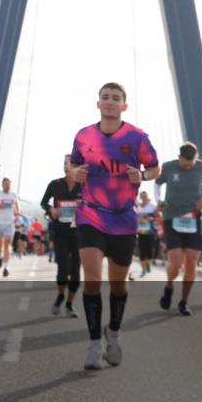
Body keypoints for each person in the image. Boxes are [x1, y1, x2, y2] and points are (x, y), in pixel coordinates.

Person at [70, 82, 160, 370]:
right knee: (93, 280)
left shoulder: (137, 137)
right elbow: (73, 165)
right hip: (91, 214)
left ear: (124, 105)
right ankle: (94, 345)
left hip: (123, 218)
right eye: (105, 97)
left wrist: (142, 176)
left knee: (119, 285)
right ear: (98, 104)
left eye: (116, 98)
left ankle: (114, 333)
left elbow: (155, 168)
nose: (110, 101)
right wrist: (77, 172)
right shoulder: (83, 136)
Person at [154, 142, 202, 316]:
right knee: (177, 263)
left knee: (192, 262)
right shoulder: (168, 167)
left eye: (191, 163)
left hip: (193, 218)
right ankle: (169, 286)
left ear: (196, 158)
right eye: (185, 163)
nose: (188, 166)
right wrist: (158, 200)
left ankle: (184, 302)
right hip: (172, 218)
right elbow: (157, 183)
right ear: (179, 157)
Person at [40, 156, 82, 317]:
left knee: (76, 271)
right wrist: (51, 209)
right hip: (60, 232)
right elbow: (44, 202)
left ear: (77, 166)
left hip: (79, 234)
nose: (66, 166)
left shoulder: (85, 186)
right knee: (63, 268)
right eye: (64, 163)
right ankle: (60, 296)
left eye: (70, 163)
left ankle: (70, 304)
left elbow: (95, 204)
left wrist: (84, 208)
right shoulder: (55, 184)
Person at [135, 191, 157, 278]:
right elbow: (135, 217)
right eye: (142, 196)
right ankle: (143, 270)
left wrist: (151, 218)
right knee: (142, 252)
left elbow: (157, 217)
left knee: (149, 251)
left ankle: (148, 263)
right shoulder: (138, 207)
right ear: (140, 198)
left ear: (147, 197)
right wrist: (138, 219)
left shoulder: (152, 206)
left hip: (150, 232)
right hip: (141, 232)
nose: (144, 198)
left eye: (145, 196)